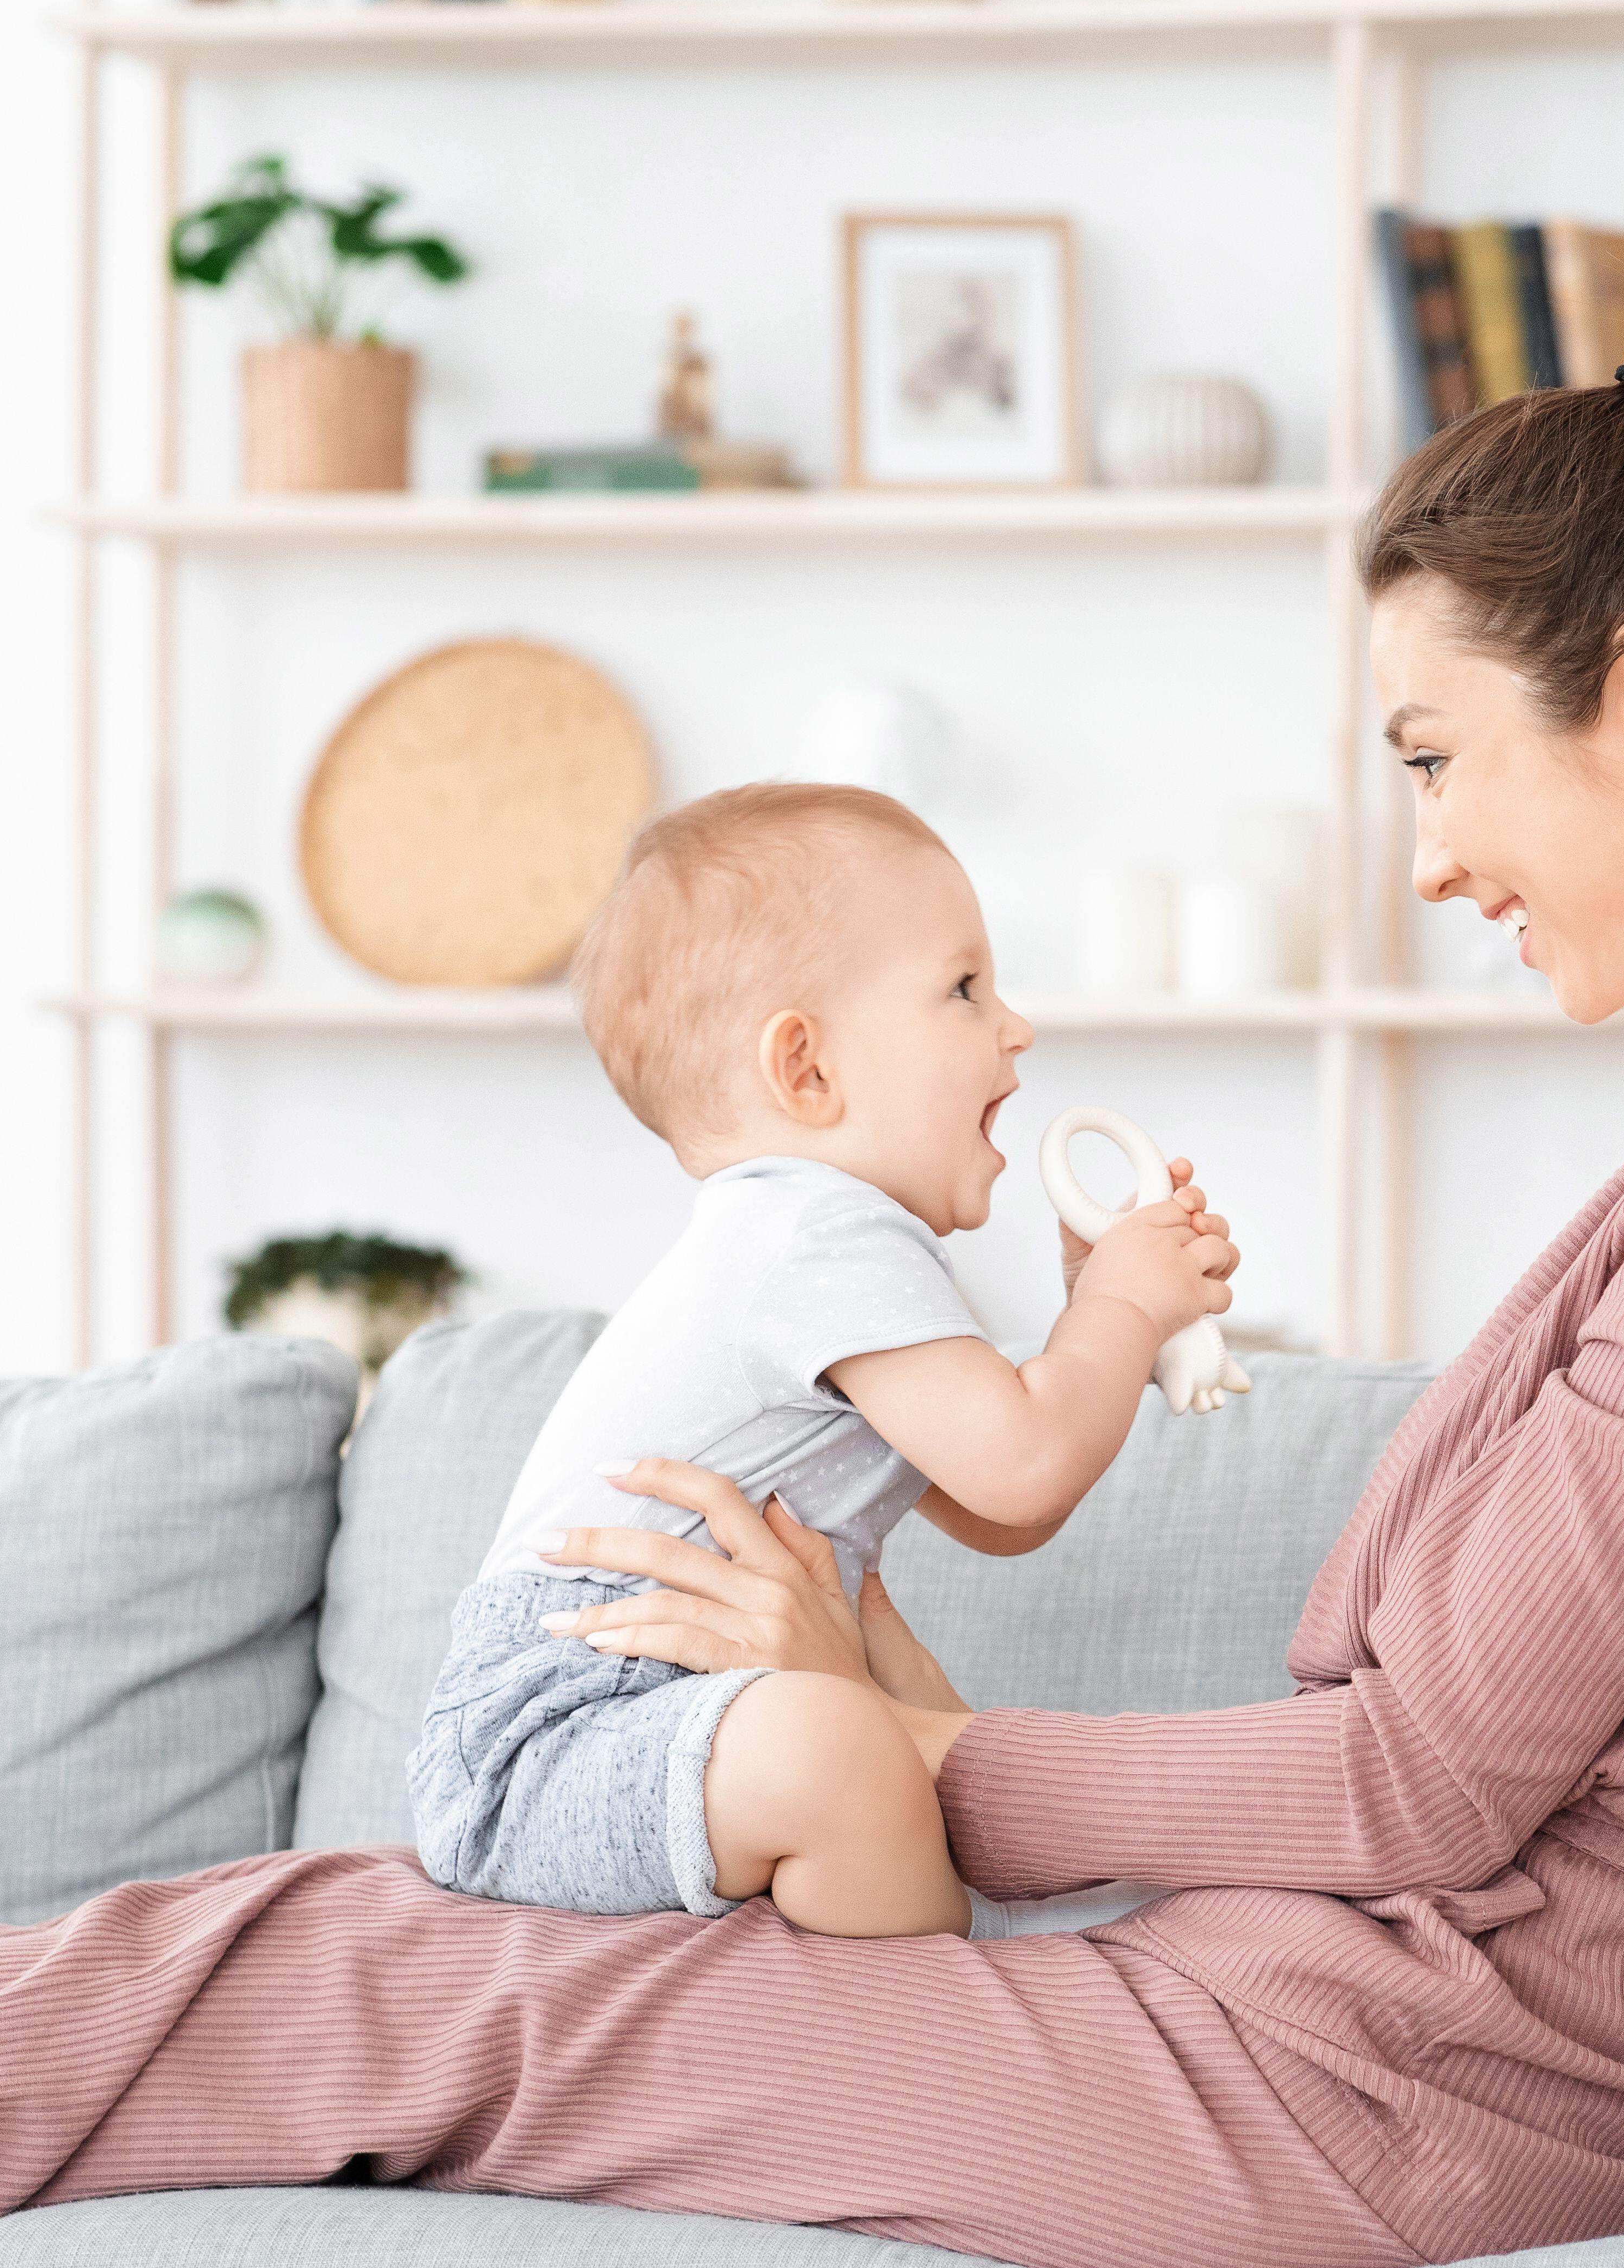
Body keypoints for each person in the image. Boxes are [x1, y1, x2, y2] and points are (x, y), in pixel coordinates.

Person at [0, 292, 1624, 2268]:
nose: (1430, 851)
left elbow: (1418, 1791)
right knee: (344, 1932)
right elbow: (1446, 1763)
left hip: (1391, 2096)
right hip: (1350, 2024)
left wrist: (914, 1753)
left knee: (375, 1966)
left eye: (1435, 755)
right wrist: (895, 1726)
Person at [409, 780, 1228, 1940]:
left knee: (874, 1744)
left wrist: (1090, 1314)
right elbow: (1026, 1463)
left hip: (652, 1711)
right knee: (840, 1749)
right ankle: (939, 2028)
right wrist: (1127, 1307)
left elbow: (1003, 1510)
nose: (1016, 1026)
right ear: (806, 1071)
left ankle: (960, 1970)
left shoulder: (824, 1257)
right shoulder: (810, 1229)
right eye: (962, 988)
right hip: (554, 1732)